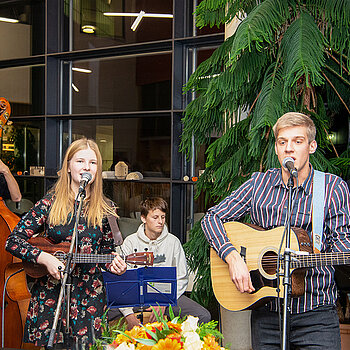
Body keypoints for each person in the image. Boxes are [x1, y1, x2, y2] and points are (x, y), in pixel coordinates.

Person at [201, 112, 350, 349]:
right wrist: (232, 257)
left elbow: (342, 242)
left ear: (311, 146)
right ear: (277, 148)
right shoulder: (258, 184)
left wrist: (343, 256)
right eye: (283, 142)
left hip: (316, 314)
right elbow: (211, 218)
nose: (289, 149)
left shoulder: (332, 188)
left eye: (297, 141)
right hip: (267, 314)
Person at [5, 138, 127, 349]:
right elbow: (13, 241)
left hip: (89, 296)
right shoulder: (49, 203)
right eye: (80, 161)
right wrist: (44, 259)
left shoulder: (107, 209)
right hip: (53, 295)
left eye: (93, 162)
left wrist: (115, 264)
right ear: (69, 166)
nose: (87, 167)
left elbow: (107, 251)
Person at [112, 197, 211, 330]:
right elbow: (122, 282)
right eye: (155, 217)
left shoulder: (173, 242)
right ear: (143, 218)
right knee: (103, 315)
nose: (160, 222)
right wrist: (128, 314)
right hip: (136, 296)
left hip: (166, 295)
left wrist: (164, 302)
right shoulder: (130, 242)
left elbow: (181, 278)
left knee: (203, 315)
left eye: (163, 217)